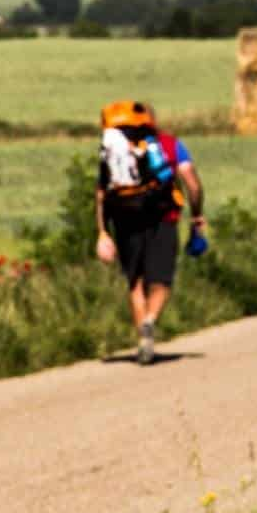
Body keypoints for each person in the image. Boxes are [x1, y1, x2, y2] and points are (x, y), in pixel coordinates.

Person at [94, 101, 205, 366]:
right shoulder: (169, 144)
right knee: (162, 281)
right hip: (163, 218)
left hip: (124, 219)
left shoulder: (112, 148)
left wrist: (102, 232)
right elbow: (192, 183)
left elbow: (100, 194)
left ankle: (143, 342)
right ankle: (150, 320)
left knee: (136, 282)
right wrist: (197, 215)